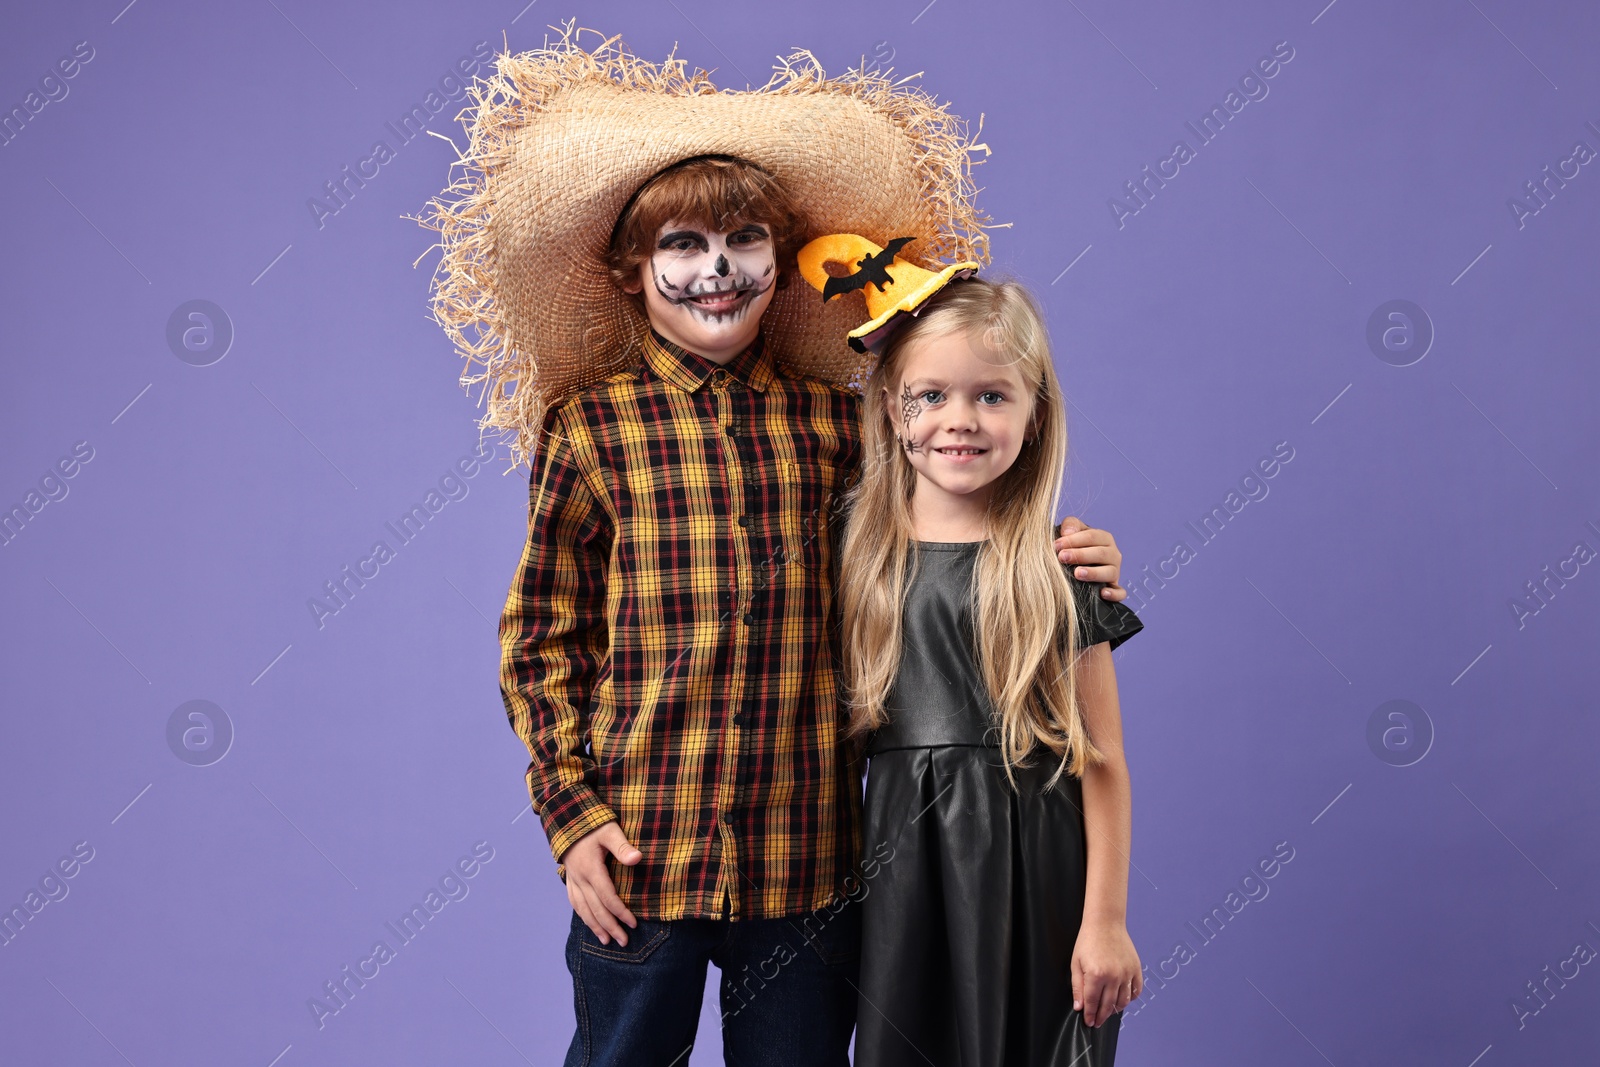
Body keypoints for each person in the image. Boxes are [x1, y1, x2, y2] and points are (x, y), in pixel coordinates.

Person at [417, 26, 1129, 1067]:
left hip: (809, 865)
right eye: (682, 247)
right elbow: (541, 642)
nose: (717, 269)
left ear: (779, 264)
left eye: (743, 241)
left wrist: (1070, 551)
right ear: (629, 271)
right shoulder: (590, 428)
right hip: (643, 855)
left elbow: (951, 508)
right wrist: (572, 818)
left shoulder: (839, 427)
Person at [799, 234, 1143, 1066]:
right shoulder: (853, 550)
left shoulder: (1058, 567)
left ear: (1035, 414)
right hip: (897, 867)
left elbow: (1103, 761)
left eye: (992, 396)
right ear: (890, 406)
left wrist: (1105, 919)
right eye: (931, 395)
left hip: (1035, 863)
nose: (960, 419)